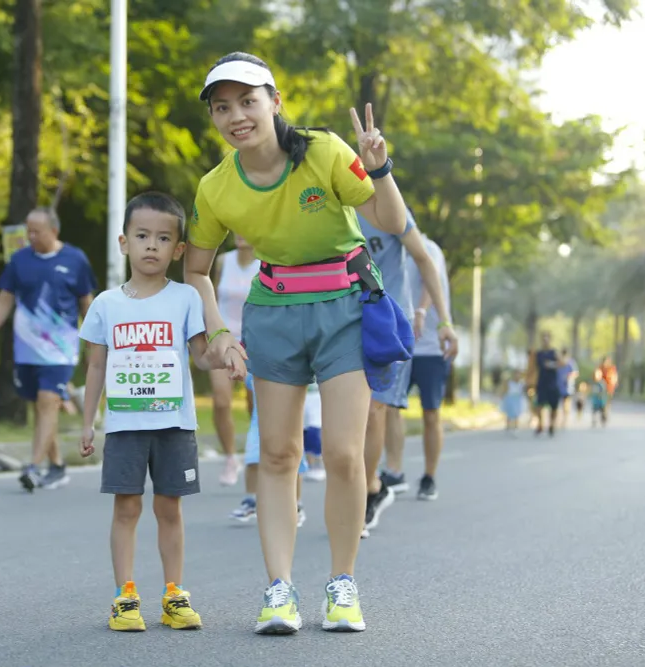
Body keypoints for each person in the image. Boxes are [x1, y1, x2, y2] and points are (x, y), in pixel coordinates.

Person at [185, 51, 413, 635]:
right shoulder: (215, 189)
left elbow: (388, 222)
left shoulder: (326, 151)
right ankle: (279, 591)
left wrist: (379, 166)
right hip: (273, 316)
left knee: (341, 453)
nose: (236, 116)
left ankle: (342, 586)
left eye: (248, 101)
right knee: (279, 456)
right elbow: (196, 270)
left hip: (344, 310)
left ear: (275, 101)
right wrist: (216, 330)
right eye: (222, 107)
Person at [78, 192, 246, 632]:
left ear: (179, 250)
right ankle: (125, 597)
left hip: (174, 425)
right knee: (126, 508)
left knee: (169, 509)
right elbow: (96, 366)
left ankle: (174, 594)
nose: (152, 245)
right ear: (124, 242)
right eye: (142, 235)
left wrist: (223, 357)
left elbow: (199, 355)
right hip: (125, 426)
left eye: (163, 238)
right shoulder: (106, 304)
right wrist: (87, 422)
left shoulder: (186, 298)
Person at [0, 207, 97, 492]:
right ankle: (56, 466)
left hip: (61, 346)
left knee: (48, 401)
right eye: (28, 231)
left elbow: (87, 304)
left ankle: (32, 466)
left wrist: (95, 346)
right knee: (41, 406)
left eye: (37, 231)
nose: (30, 236)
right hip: (27, 347)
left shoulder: (75, 259)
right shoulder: (20, 260)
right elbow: (4, 300)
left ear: (54, 231)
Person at [360, 214, 457, 536]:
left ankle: (428, 475)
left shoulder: (427, 248)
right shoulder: (371, 234)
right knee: (387, 410)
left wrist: (425, 314)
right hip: (394, 335)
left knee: (430, 412)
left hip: (426, 342)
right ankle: (394, 471)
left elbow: (430, 277)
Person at [229, 371, 309, 528]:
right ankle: (251, 500)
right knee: (252, 459)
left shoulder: (293, 367)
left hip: (288, 422)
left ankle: (296, 503)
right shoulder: (252, 370)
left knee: (294, 461)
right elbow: (249, 398)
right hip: (259, 423)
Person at [212, 235, 259, 486]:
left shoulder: (265, 264)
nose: (241, 233)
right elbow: (212, 298)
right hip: (222, 338)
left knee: (255, 408)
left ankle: (255, 458)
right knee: (221, 402)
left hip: (254, 342)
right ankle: (230, 457)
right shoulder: (222, 261)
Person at [533, 332, 563, 436]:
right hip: (542, 382)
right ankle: (540, 424)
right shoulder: (539, 353)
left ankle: (551, 424)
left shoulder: (554, 352)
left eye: (547, 339)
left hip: (552, 383)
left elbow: (562, 363)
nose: (545, 341)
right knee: (538, 406)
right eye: (543, 339)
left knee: (553, 407)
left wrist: (552, 364)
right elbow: (534, 368)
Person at [302, 382, 326, 481]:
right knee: (304, 429)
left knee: (315, 429)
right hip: (302, 391)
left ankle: (318, 463)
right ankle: (310, 464)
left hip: (317, 393)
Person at [556, 348, 579, 428]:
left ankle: (565, 419)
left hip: (567, 387)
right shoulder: (558, 362)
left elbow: (575, 373)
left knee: (566, 403)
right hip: (558, 386)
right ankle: (558, 419)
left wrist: (569, 376)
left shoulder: (571, 362)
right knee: (558, 404)